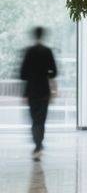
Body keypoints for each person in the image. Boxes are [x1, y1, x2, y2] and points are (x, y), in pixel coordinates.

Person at [20, 26, 57, 159]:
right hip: (44, 91)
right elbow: (54, 72)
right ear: (43, 35)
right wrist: (46, 73)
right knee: (41, 119)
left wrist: (32, 75)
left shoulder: (28, 52)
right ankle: (39, 144)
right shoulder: (47, 51)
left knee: (34, 119)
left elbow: (22, 74)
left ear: (34, 35)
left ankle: (37, 144)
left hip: (31, 91)